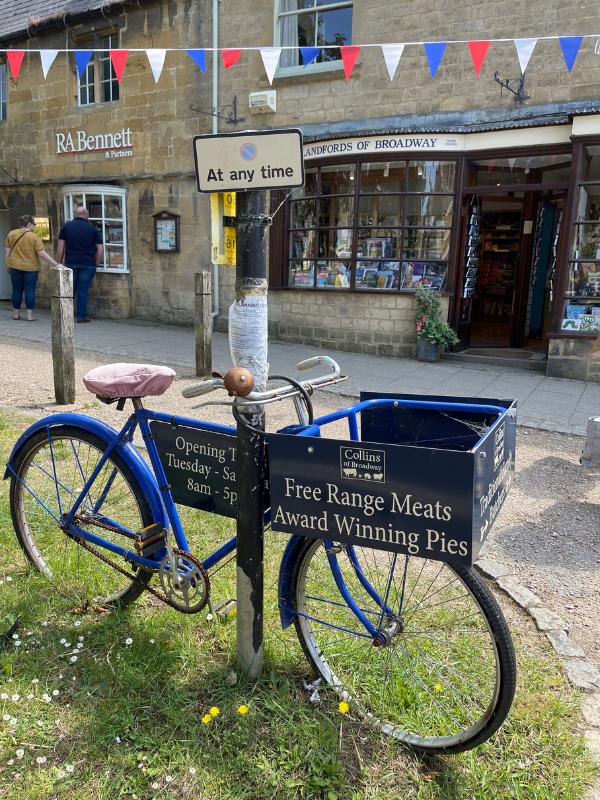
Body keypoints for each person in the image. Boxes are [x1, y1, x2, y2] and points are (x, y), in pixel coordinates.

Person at [4, 214, 60, 321]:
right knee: (29, 290)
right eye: (34, 224)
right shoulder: (34, 237)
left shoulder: (11, 234)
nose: (34, 226)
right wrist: (55, 264)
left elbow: (7, 252)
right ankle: (29, 315)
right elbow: (42, 254)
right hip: (30, 268)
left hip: (14, 266)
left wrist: (7, 265)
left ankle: (16, 314)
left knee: (16, 290)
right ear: (29, 224)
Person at [56, 206, 103, 323]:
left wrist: (59, 262)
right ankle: (81, 317)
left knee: (69, 290)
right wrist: (95, 263)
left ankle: (66, 315)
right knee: (83, 290)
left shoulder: (66, 227)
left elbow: (60, 247)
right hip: (88, 263)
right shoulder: (93, 229)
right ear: (86, 215)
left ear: (76, 214)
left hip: (71, 262)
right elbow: (100, 250)